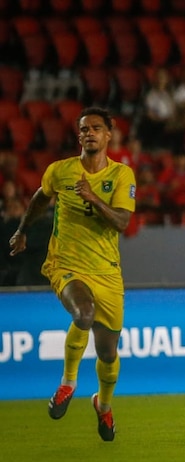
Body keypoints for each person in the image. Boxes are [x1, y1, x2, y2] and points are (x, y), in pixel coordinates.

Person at [8, 107, 136, 442]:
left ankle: (103, 406)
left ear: (109, 134)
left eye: (96, 128)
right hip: (66, 263)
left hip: (107, 272)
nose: (89, 133)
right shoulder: (60, 171)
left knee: (108, 354)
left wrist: (93, 198)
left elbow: (123, 222)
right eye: (83, 129)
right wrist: (22, 230)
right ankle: (67, 383)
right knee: (84, 313)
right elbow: (39, 198)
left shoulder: (122, 176)